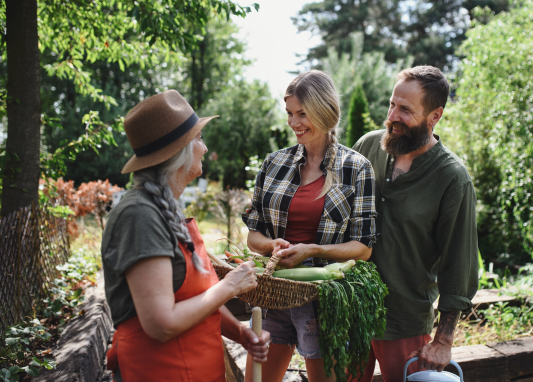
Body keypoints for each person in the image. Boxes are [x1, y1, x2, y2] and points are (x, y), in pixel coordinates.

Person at [101, 90, 270, 382]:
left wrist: (240, 333)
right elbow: (161, 323)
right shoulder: (140, 216)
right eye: (199, 139)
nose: (204, 148)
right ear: (178, 152)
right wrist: (229, 287)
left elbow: (197, 299)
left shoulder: (164, 209)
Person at [242, 70, 377, 382]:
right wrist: (271, 245)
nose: (293, 123)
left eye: (302, 113)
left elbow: (364, 248)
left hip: (324, 299)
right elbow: (253, 235)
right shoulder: (273, 164)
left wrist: (313, 250)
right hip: (275, 292)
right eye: (289, 113)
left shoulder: (357, 169)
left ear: (324, 110)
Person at [352, 66, 479, 381]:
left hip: (404, 321)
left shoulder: (452, 178)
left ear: (434, 116)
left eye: (405, 110)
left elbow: (458, 262)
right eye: (392, 104)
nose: (392, 116)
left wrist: (444, 340)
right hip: (350, 308)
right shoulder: (368, 147)